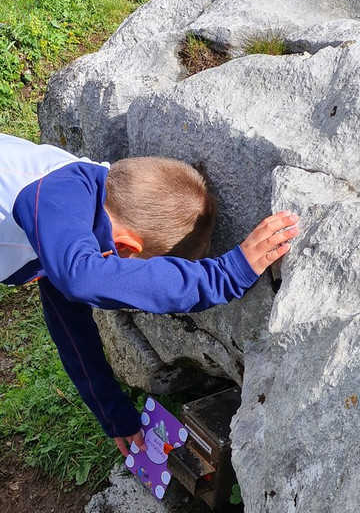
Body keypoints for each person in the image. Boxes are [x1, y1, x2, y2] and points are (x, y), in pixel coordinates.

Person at [0, 133, 300, 457]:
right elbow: (81, 280)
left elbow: (68, 322)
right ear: (127, 246)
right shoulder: (56, 194)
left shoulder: (74, 206)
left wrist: (113, 412)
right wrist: (224, 276)